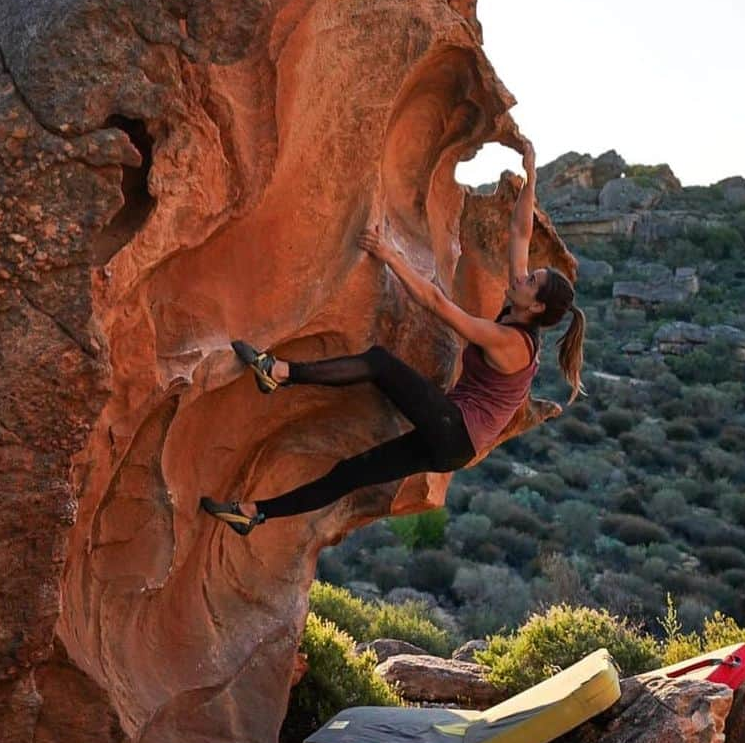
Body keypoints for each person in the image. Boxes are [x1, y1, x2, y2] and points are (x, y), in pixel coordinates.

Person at [199, 139, 585, 535]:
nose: (521, 276)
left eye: (531, 281)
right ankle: (252, 513)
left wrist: (388, 253)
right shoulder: (519, 308)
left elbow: (437, 303)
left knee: (379, 363)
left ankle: (278, 372)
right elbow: (520, 233)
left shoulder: (512, 342)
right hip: (453, 439)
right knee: (349, 472)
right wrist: (532, 175)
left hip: (455, 430)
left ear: (535, 306)